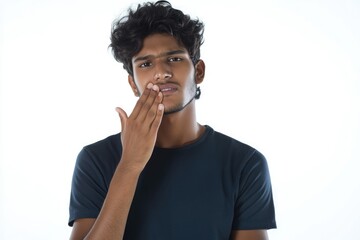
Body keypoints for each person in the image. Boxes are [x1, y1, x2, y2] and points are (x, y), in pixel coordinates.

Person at [68, 1, 276, 239]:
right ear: (132, 83)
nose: (162, 72)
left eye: (175, 59)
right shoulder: (96, 160)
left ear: (198, 72)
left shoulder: (244, 164)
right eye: (146, 64)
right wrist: (129, 166)